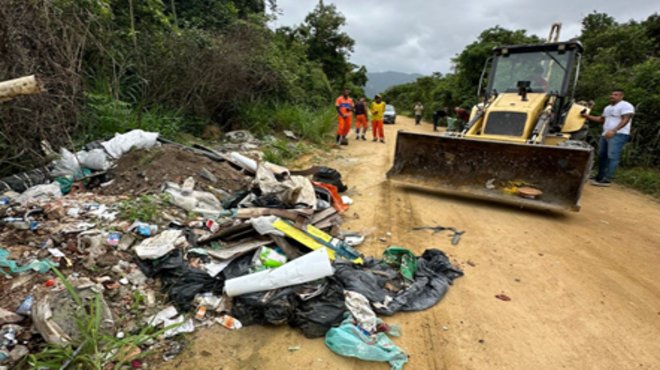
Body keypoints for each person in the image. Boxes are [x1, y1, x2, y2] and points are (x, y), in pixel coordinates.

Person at [581, 88, 634, 187]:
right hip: (605, 134)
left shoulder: (626, 106)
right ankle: (600, 176)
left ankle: (607, 179)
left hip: (618, 134)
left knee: (612, 156)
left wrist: (614, 130)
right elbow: (601, 120)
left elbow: (625, 120)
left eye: (616, 95)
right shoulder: (608, 108)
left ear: (622, 96)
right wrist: (587, 116)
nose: (612, 96)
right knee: (602, 155)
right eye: (612, 94)